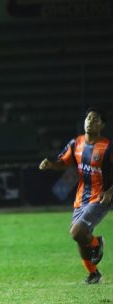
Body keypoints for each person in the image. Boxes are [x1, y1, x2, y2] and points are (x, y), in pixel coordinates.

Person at [39, 107, 113, 284]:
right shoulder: (76, 143)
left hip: (100, 197)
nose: (90, 121)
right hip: (81, 198)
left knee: (77, 232)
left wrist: (110, 192)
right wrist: (51, 164)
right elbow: (63, 162)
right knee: (80, 239)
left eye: (95, 119)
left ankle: (97, 243)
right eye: (88, 118)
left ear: (102, 125)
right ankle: (93, 274)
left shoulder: (108, 147)